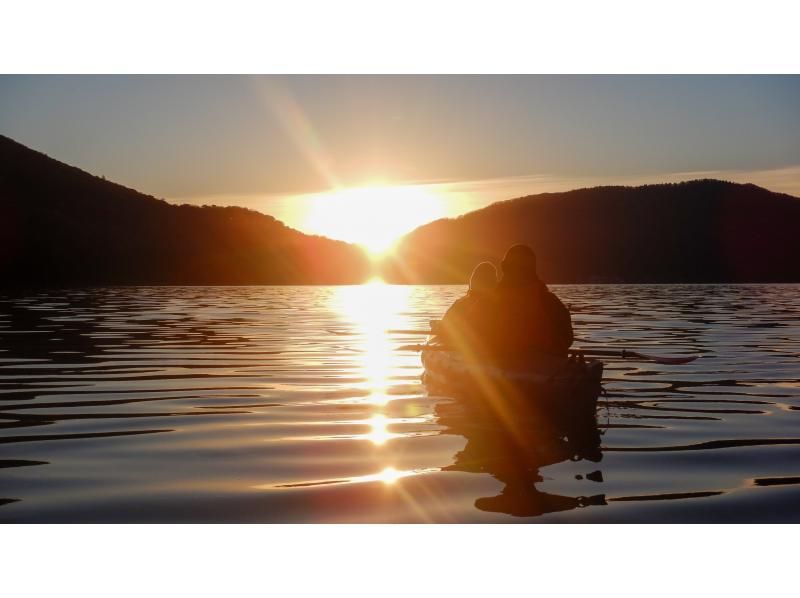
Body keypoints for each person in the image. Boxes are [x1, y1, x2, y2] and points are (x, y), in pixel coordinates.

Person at [488, 244, 573, 361]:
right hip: (545, 366)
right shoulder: (549, 301)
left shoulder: (488, 301)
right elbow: (567, 339)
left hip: (501, 365)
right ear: (532, 270)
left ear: (504, 268)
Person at [437, 261, 497, 357]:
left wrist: (440, 328)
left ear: (472, 281)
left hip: (470, 350)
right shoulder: (500, 305)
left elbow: (443, 329)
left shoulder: (461, 304)